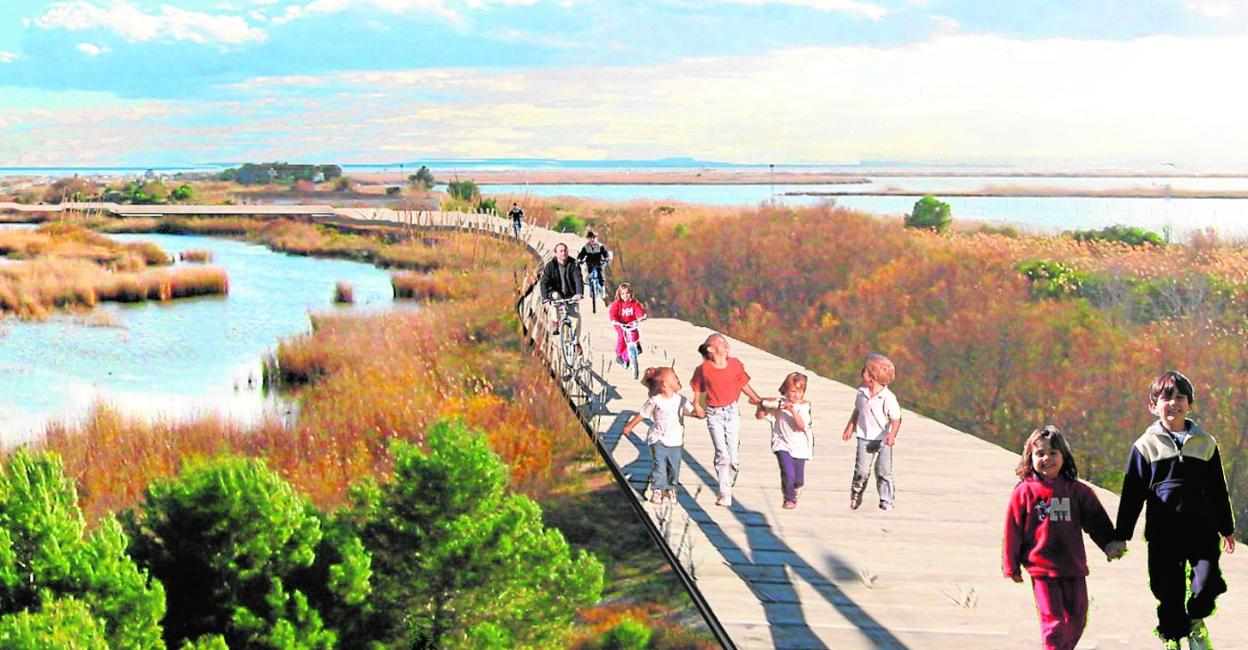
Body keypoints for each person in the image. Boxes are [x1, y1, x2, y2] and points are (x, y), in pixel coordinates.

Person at [1113, 371, 1236, 650]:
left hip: (1201, 532)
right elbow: (1132, 494)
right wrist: (1121, 534)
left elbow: (1218, 489)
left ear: (1189, 404)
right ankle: (1172, 636)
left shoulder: (1206, 443)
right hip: (1164, 534)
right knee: (1167, 591)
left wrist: (1226, 528)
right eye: (1166, 397)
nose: (1173, 403)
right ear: (1153, 405)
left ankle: (1195, 621)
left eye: (1180, 397)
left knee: (1206, 584)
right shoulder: (1145, 446)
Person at [1003, 425, 1126, 650]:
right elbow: (1013, 530)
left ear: (1064, 456)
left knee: (1078, 619)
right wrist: (1011, 565)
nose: (1047, 458)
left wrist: (1110, 543)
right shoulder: (1024, 492)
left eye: (1053, 453)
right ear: (1030, 458)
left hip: (1073, 567)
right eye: (1040, 453)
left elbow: (1096, 520)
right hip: (1042, 569)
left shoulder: (1078, 491)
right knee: (1054, 624)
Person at [690, 333, 762, 507]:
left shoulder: (735, 364)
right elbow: (698, 388)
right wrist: (697, 405)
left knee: (733, 457)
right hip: (714, 414)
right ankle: (725, 492)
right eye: (720, 342)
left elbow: (743, 383)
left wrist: (758, 400)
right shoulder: (704, 369)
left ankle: (729, 478)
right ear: (711, 349)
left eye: (725, 341)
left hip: (731, 412)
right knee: (722, 454)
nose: (726, 344)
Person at [622, 367, 702, 504]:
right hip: (657, 438)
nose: (678, 379)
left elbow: (697, 414)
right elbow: (643, 414)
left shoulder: (681, 400)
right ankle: (657, 490)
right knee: (659, 465)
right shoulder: (655, 400)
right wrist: (630, 426)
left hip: (676, 441)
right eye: (674, 377)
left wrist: (697, 399)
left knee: (673, 467)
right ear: (665, 384)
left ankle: (670, 489)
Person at [840, 353, 902, 511]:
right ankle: (856, 494)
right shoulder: (861, 393)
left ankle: (886, 498)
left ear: (873, 377)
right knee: (861, 471)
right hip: (864, 437)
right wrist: (850, 427)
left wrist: (892, 435)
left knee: (883, 470)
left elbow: (896, 419)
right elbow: (858, 411)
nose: (863, 373)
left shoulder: (887, 398)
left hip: (882, 439)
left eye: (866, 371)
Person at [756, 372, 813, 510]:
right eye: (792, 391)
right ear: (786, 391)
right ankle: (789, 498)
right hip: (782, 443)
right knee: (787, 472)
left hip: (800, 447)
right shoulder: (779, 404)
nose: (795, 395)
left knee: (798, 479)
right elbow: (760, 416)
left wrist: (792, 410)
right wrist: (762, 406)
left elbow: (801, 426)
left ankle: (797, 487)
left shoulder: (804, 406)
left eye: (799, 392)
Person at [539, 242, 584, 344]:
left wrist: (579, 293)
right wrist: (545, 299)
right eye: (561, 251)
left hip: (571, 295)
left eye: (565, 250)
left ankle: (576, 343)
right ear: (555, 254)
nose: (563, 253)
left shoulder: (574, 264)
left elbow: (578, 279)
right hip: (556, 293)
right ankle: (555, 321)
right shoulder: (550, 266)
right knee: (555, 297)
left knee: (576, 319)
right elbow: (544, 283)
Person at [608, 283, 646, 367]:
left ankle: (635, 348)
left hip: (631, 324)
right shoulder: (617, 303)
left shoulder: (635, 303)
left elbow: (639, 311)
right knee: (622, 337)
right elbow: (612, 312)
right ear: (619, 294)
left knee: (634, 336)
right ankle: (619, 355)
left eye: (627, 293)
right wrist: (613, 320)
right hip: (619, 323)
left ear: (631, 293)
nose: (625, 296)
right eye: (623, 294)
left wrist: (641, 317)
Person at [576, 230, 611, 303]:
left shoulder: (600, 246)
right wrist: (579, 259)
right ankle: (591, 288)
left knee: (600, 275)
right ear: (588, 239)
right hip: (590, 262)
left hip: (599, 262)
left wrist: (607, 258)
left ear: (596, 238)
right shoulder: (586, 247)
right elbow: (582, 254)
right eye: (590, 238)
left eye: (594, 238)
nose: (592, 239)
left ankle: (602, 288)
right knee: (589, 275)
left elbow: (605, 253)